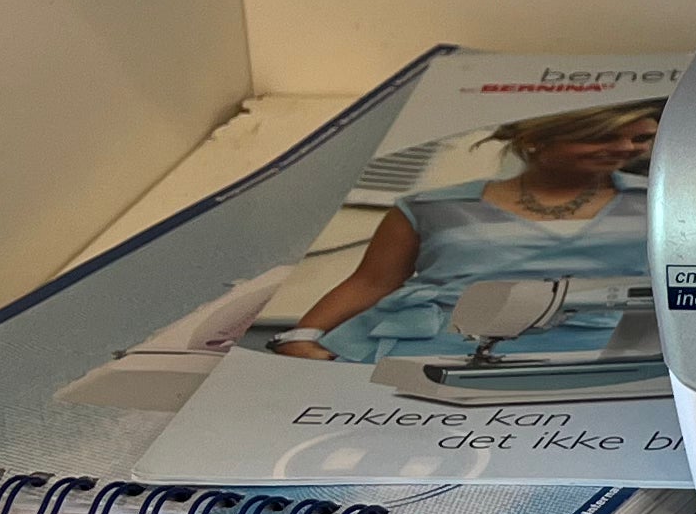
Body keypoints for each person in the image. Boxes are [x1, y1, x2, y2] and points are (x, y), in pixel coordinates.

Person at [274, 99, 663, 362]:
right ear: (536, 139)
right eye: (603, 136)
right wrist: (301, 339)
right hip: (424, 354)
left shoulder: (664, 202)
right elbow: (371, 283)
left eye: (641, 137)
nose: (627, 148)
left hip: (603, 357)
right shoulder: (431, 207)